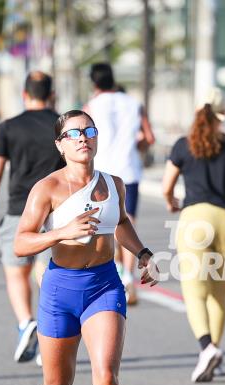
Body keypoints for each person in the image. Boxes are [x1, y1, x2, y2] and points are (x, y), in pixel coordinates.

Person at [14, 109, 159, 385]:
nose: (82, 138)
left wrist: (143, 253)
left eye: (88, 131)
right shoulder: (47, 189)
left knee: (107, 378)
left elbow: (120, 222)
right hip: (60, 288)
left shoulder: (113, 184)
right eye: (73, 133)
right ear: (60, 145)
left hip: (104, 285)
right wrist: (61, 232)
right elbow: (21, 242)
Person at [0, 72, 65, 364]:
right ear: (51, 94)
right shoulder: (62, 126)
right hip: (56, 212)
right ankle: (50, 334)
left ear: (25, 94)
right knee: (48, 275)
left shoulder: (7, 127)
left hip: (18, 211)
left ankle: (26, 323)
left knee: (16, 272)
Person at [162, 88, 225, 382]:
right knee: (219, 293)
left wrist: (171, 202)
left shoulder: (182, 145)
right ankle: (215, 352)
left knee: (194, 290)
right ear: (223, 115)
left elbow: (166, 187)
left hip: (195, 218)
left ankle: (206, 347)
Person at [84, 63, 155, 305]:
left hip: (101, 170)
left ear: (94, 83)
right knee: (128, 221)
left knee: (105, 223)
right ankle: (128, 276)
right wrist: (136, 147)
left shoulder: (91, 106)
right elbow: (149, 137)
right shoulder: (134, 103)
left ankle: (114, 271)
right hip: (128, 170)